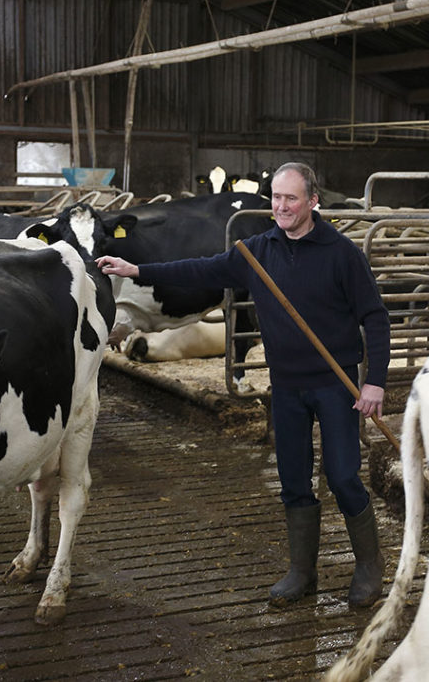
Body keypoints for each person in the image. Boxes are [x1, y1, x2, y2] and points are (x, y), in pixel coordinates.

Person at [96, 162, 390, 608]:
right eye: (275, 197)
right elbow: (199, 270)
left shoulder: (341, 252)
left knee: (344, 476)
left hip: (336, 385)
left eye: (291, 198)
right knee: (293, 480)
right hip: (286, 388)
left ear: (313, 201)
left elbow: (375, 317)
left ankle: (369, 567)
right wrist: (137, 270)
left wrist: (376, 384)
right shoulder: (257, 251)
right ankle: (301, 572)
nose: (281, 206)